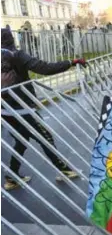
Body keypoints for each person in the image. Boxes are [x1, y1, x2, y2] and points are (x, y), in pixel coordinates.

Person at [1, 28, 87, 190]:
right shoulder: (17, 55)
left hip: (5, 110)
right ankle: (64, 170)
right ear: (11, 39)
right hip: (23, 107)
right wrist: (71, 62)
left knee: (21, 140)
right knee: (45, 137)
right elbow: (44, 68)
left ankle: (11, 177)